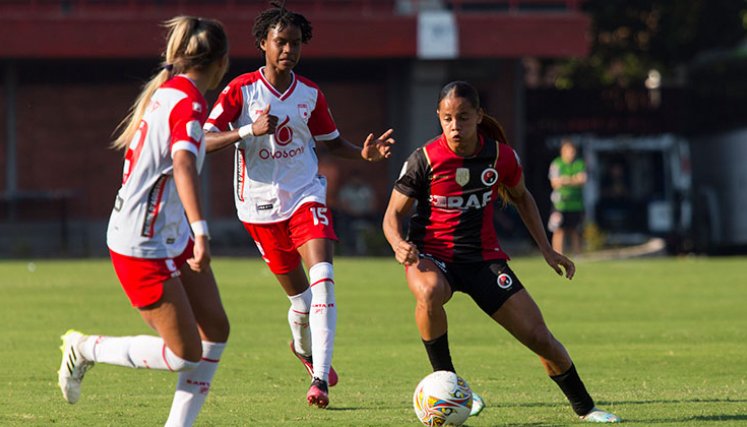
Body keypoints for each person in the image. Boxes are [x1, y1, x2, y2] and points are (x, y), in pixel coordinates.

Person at [382, 81, 620, 423]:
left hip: (483, 260)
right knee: (430, 291)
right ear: (438, 117)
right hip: (432, 256)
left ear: (479, 116)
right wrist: (398, 243)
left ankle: (586, 408)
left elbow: (522, 197)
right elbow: (392, 214)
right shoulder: (424, 159)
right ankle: (449, 384)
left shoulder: (500, 156)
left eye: (463, 117)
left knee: (539, 337)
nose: (455, 126)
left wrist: (548, 250)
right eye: (447, 118)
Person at [202, 1, 394, 409]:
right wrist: (246, 131)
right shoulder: (241, 90)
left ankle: (320, 380)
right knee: (301, 302)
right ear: (262, 44)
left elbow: (331, 142)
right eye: (280, 42)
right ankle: (306, 353)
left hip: (307, 195)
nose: (289, 50)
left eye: (295, 43)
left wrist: (363, 153)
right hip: (258, 208)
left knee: (323, 276)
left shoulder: (310, 94)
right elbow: (203, 139)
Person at [57, 16, 230, 427]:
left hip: (167, 232)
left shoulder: (170, 93)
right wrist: (203, 230)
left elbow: (183, 150)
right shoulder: (187, 101)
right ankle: (85, 348)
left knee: (216, 330)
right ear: (221, 64)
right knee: (185, 354)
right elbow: (184, 161)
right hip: (141, 241)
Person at [547, 138, 587, 255]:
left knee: (576, 230)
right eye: (569, 151)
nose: (571, 154)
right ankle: (557, 254)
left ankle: (577, 254)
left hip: (576, 203)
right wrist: (573, 179)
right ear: (563, 151)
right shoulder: (557, 164)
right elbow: (554, 183)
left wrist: (565, 180)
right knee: (559, 230)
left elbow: (582, 179)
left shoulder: (579, 163)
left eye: (573, 151)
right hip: (560, 204)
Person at [336, 171, 377, 255]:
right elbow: (344, 206)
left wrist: (365, 213)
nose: (357, 180)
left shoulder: (366, 189)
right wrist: (355, 213)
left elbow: (373, 204)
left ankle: (374, 248)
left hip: (365, 215)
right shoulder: (346, 190)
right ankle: (349, 249)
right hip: (350, 216)